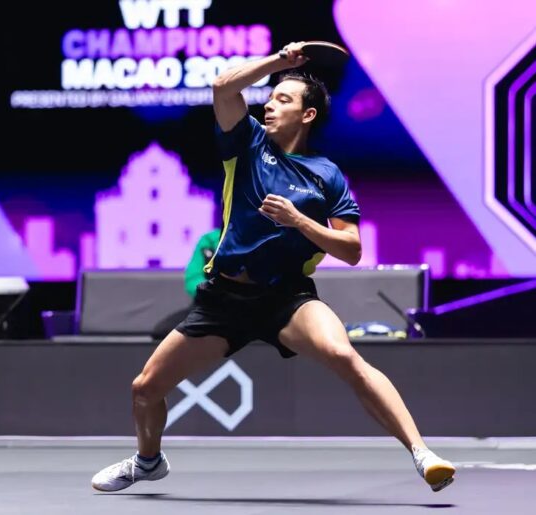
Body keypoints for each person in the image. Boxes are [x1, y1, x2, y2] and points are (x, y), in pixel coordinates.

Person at [92, 41, 455, 494]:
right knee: (144, 388)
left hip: (287, 298)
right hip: (225, 298)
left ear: (307, 115)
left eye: (284, 99)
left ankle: (423, 455)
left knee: (345, 356)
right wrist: (280, 62)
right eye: (271, 96)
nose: (270, 104)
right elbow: (223, 87)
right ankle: (148, 462)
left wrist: (300, 221)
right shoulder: (246, 143)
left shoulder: (327, 174)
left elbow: (351, 250)